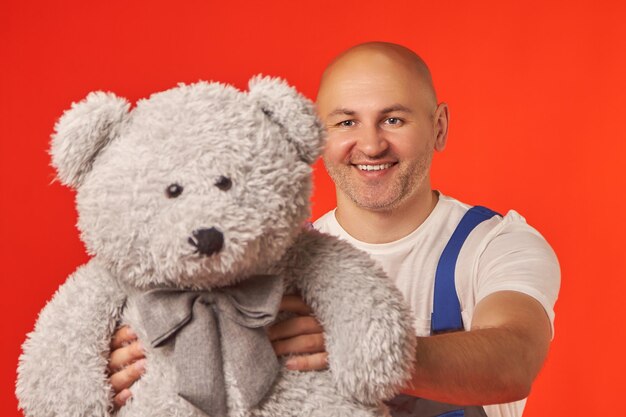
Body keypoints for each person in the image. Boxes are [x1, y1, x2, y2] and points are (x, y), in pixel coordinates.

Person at [107, 42, 560, 417]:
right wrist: (149, 363)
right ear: (317, 137)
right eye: (346, 122)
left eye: (393, 119)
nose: (370, 144)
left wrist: (357, 345)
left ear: (438, 127)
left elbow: (513, 360)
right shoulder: (274, 262)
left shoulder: (494, 245)